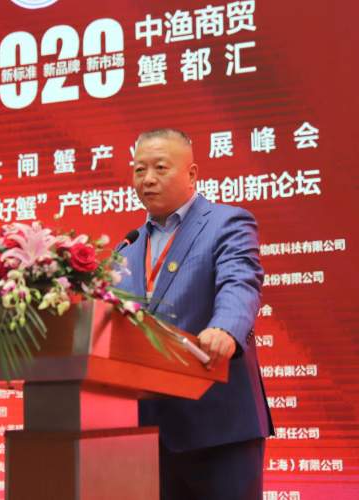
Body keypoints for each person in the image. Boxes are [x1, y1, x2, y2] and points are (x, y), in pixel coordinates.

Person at [116, 128, 274, 500]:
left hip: (218, 426)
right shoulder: (127, 248)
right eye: (139, 170)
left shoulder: (227, 223)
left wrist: (225, 329)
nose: (147, 179)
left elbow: (240, 282)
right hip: (149, 432)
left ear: (192, 174)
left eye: (160, 168)